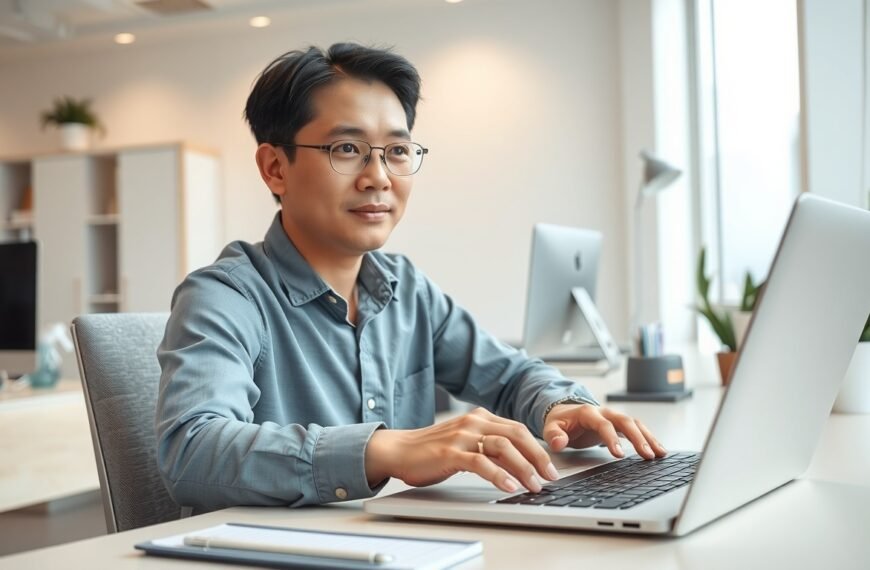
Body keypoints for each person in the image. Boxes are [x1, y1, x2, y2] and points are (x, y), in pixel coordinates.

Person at [156, 42, 667, 511]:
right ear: (275, 168)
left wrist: (561, 407)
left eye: (397, 151)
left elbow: (509, 375)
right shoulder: (225, 295)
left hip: (407, 545)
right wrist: (386, 448)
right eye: (346, 149)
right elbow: (192, 450)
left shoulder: (405, 288)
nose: (379, 176)